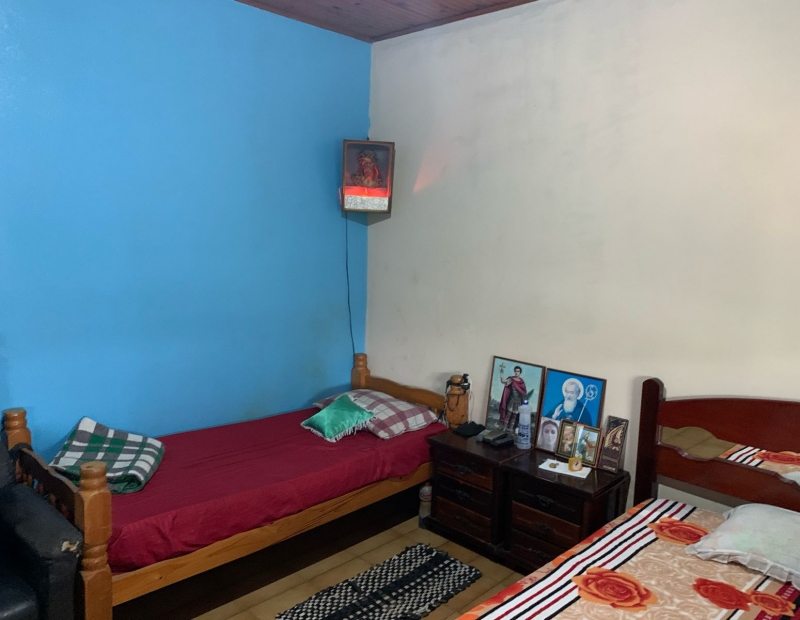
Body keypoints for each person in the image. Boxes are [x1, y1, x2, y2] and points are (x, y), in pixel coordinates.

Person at [498, 366, 527, 431]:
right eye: (515, 371)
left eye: (518, 371)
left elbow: (524, 392)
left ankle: (511, 429)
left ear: (520, 372)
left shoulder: (522, 382)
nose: (516, 373)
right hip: (511, 400)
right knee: (508, 414)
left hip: (518, 401)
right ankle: (504, 428)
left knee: (514, 416)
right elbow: (503, 381)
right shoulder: (511, 379)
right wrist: (501, 373)